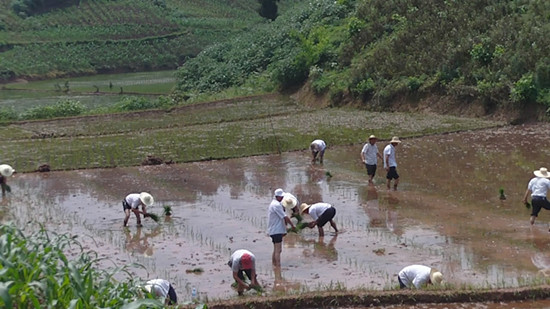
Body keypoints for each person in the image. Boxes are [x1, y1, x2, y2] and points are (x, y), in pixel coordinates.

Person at [268, 188, 295, 268]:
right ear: (277, 197)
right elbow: (285, 217)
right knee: (278, 250)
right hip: (276, 230)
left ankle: (274, 264)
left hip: (274, 230)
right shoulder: (276, 205)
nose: (283, 198)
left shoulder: (273, 204)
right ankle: (278, 266)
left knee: (275, 249)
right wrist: (292, 225)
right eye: (281, 197)